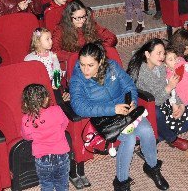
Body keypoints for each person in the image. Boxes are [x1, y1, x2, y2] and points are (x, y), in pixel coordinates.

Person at [70, 43, 169, 191]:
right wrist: (112, 109)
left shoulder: (113, 67)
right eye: (82, 64)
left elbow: (129, 85)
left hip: (125, 112)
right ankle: (121, 182)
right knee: (128, 139)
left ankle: (152, 167)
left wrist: (133, 101)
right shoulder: (78, 78)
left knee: (147, 131)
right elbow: (79, 107)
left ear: (101, 61)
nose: (85, 69)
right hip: (103, 117)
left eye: (90, 65)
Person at [127, 39, 188, 152]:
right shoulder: (143, 72)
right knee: (157, 113)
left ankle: (156, 137)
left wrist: (180, 104)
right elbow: (155, 100)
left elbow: (174, 87)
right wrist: (169, 87)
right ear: (148, 54)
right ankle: (172, 139)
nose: (162, 56)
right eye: (158, 53)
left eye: (163, 53)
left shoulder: (161, 67)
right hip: (148, 106)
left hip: (166, 101)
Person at [21, 84, 75, 191]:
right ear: (46, 99)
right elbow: (65, 123)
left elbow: (26, 137)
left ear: (26, 103)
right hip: (61, 155)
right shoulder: (57, 110)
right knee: (62, 184)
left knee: (46, 185)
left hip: (42, 159)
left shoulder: (26, 119)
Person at [52, 0, 117, 61]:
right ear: (69, 18)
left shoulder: (89, 23)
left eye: (83, 16)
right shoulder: (60, 29)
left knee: (111, 52)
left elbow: (111, 37)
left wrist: (97, 50)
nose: (82, 20)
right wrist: (78, 56)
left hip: (92, 57)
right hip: (75, 61)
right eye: (77, 18)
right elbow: (55, 51)